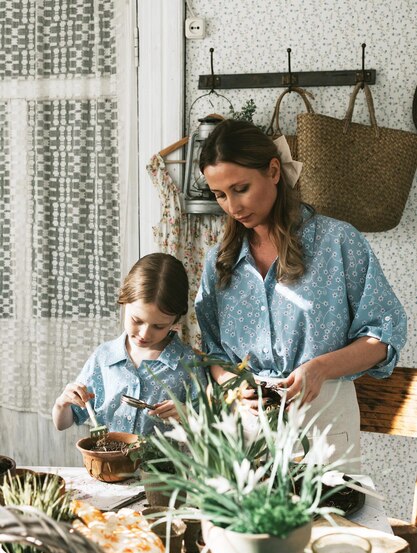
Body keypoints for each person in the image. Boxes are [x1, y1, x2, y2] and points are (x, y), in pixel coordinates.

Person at [195, 119, 407, 470]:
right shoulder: (220, 260)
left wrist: (320, 368)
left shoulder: (338, 242)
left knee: (329, 523)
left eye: (241, 188)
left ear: (274, 171)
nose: (232, 206)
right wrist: (232, 383)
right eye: (220, 195)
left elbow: (384, 338)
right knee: (247, 524)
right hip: (246, 427)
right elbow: (214, 351)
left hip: (323, 417)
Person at [53, 253, 206, 435]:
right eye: (137, 320)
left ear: (176, 319)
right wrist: (62, 403)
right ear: (124, 301)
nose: (144, 334)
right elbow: (62, 423)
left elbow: (210, 433)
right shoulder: (104, 357)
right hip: (106, 463)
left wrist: (189, 416)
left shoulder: (189, 364)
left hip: (164, 464)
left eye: (159, 326)